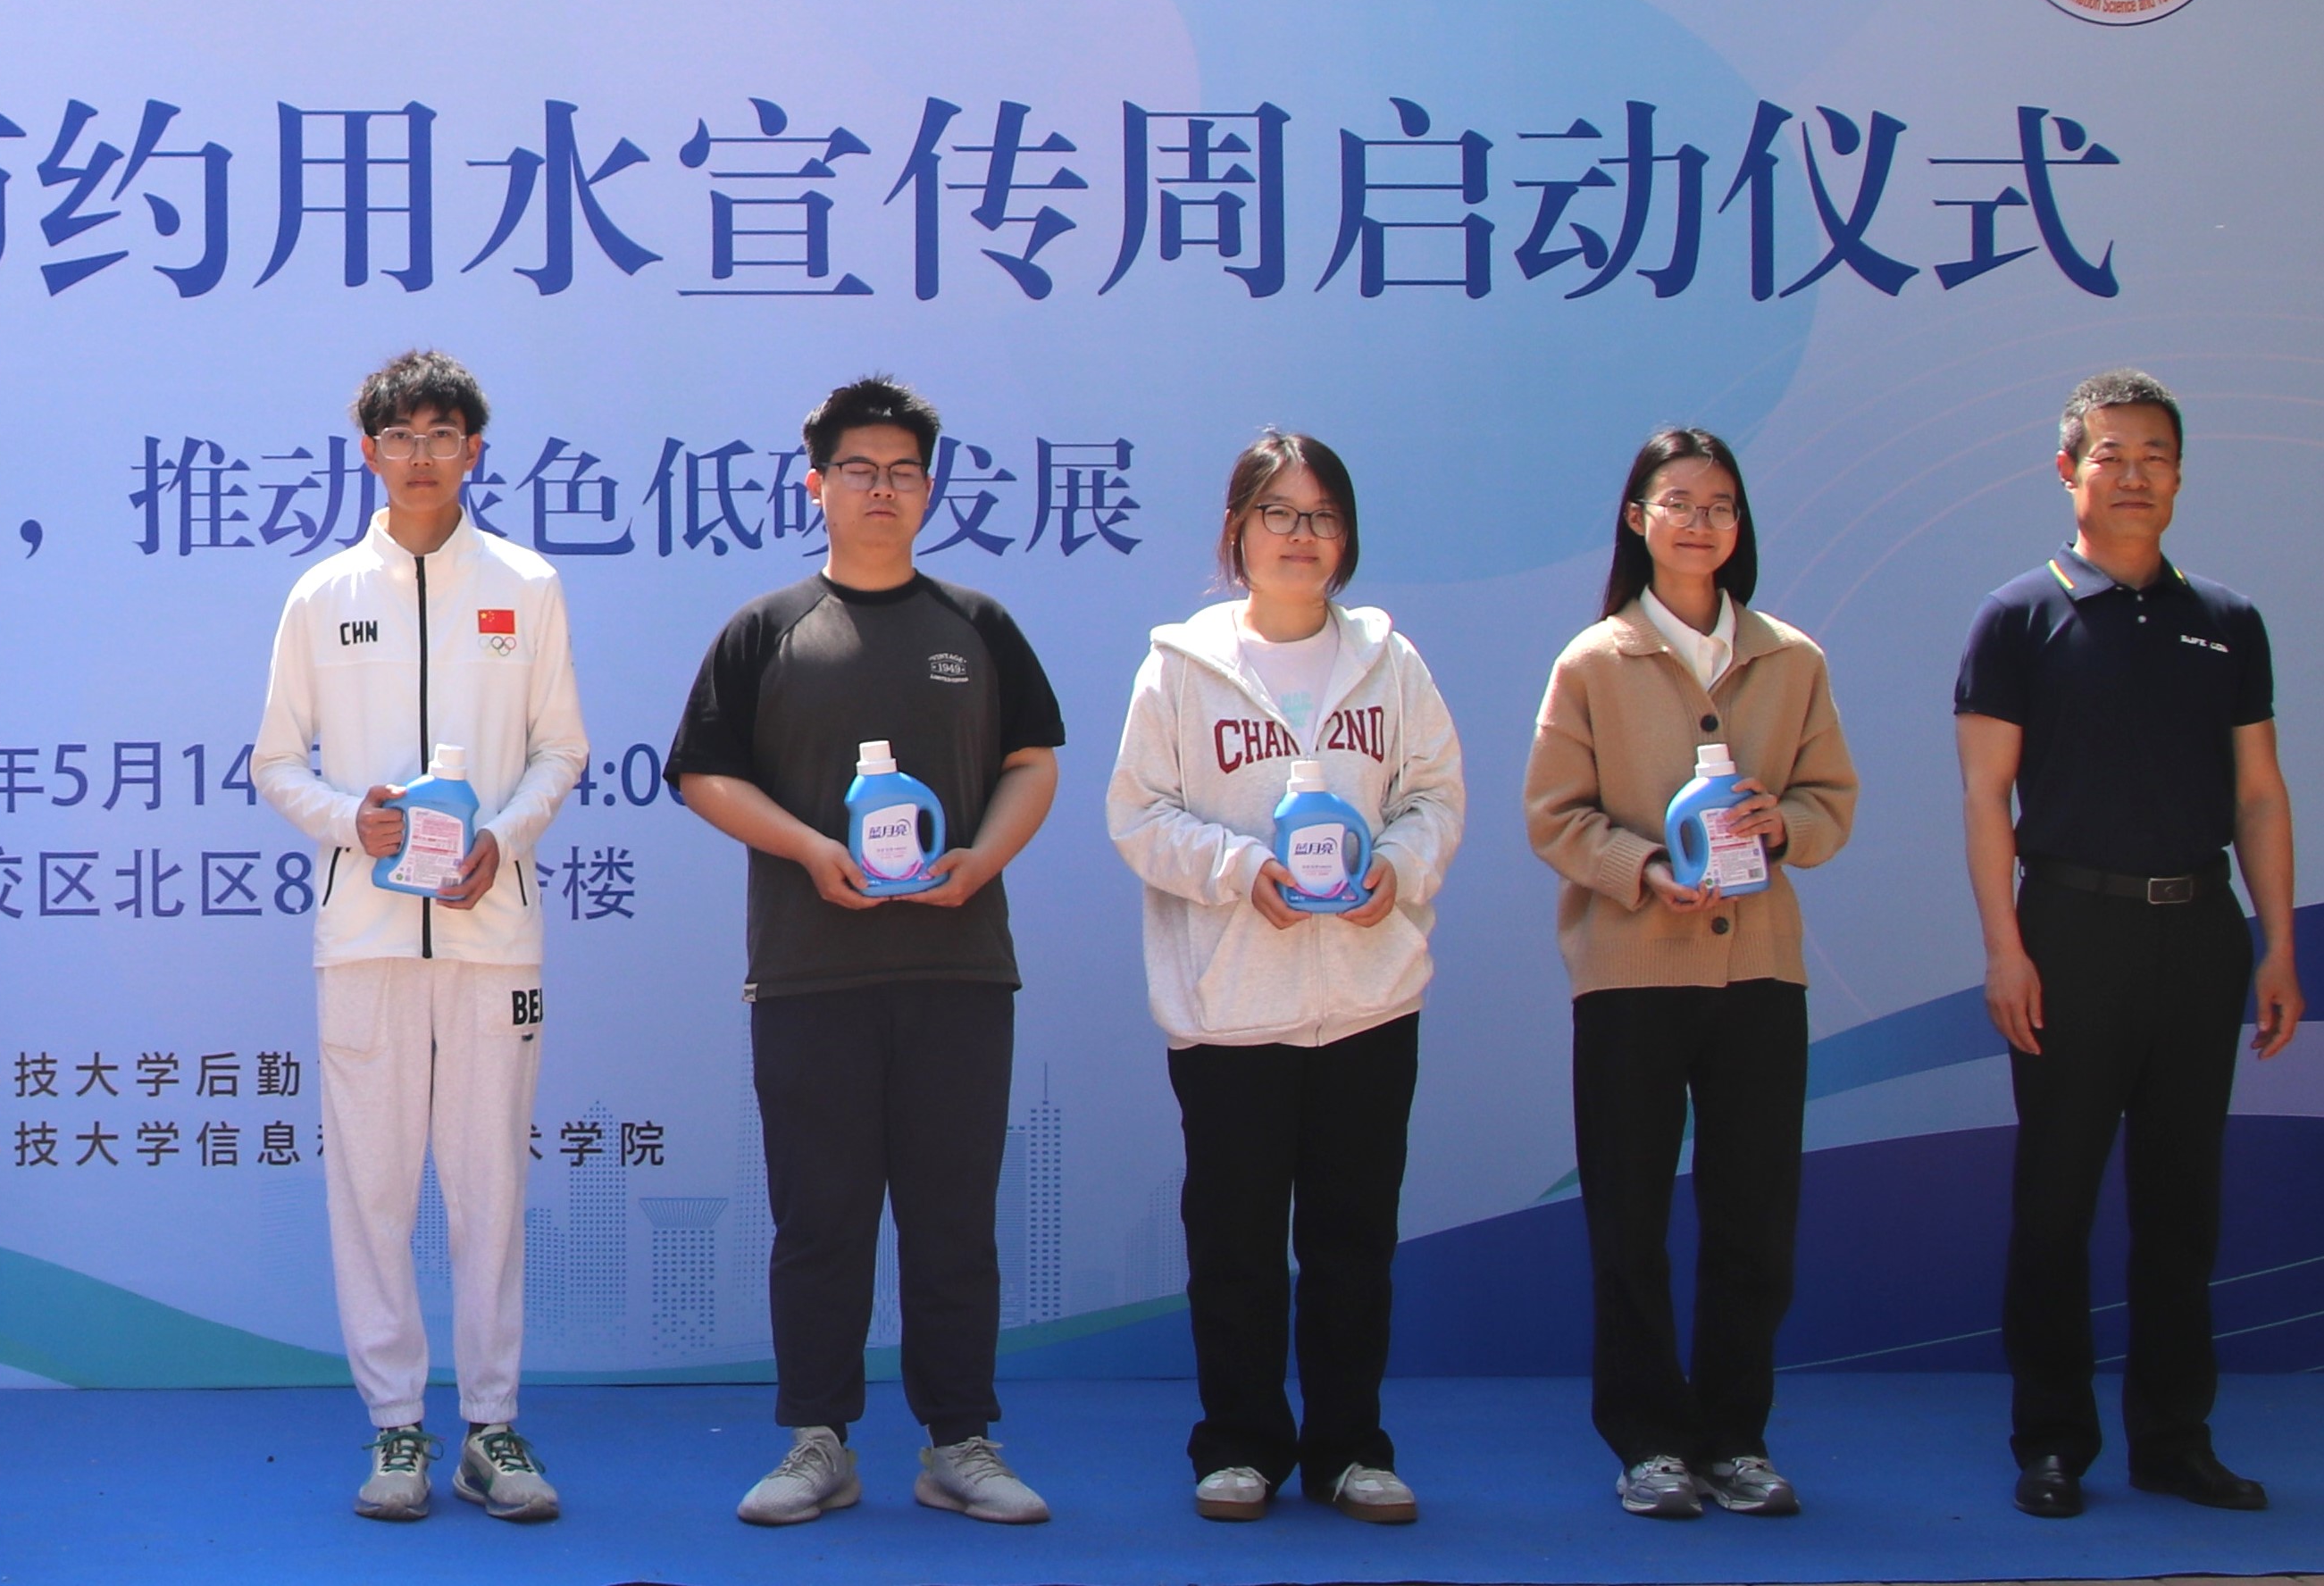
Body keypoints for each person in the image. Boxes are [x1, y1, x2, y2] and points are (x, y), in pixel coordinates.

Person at [681, 376, 1064, 1530]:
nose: (880, 488)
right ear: (817, 484)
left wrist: (981, 858)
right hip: (810, 970)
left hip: (958, 965)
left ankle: (959, 1441)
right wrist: (809, 848)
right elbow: (704, 773)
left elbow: (1033, 762)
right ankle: (817, 1438)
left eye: (902, 471)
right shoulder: (767, 629)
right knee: (820, 1218)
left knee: (954, 1218)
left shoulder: (977, 625)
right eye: (858, 469)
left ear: (928, 489)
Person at [250, 350, 589, 1523]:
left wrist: (503, 834)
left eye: (443, 434)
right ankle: (396, 1421)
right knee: (374, 1187)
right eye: (400, 436)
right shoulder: (322, 593)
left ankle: (491, 1425)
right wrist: (355, 821)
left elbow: (561, 747)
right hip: (365, 936)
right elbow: (275, 761)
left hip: (493, 933)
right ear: (369, 453)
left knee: (490, 1184)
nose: (421, 456)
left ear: (474, 451)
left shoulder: (527, 585)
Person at [1102, 431, 1459, 1527]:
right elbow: (1138, 815)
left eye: (1321, 516)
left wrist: (1395, 869)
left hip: (1366, 999)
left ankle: (1349, 1449)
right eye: (1278, 514)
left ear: (1344, 537)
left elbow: (1434, 796)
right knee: (1236, 1242)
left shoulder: (1390, 664)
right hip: (1231, 1007)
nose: (1300, 536)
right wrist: (1239, 869)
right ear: (1237, 531)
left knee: (1353, 1239)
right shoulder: (1181, 667)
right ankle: (1239, 1443)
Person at [1960, 369, 2296, 1518]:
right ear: (2068, 471)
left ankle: (2173, 1438)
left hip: (2197, 931)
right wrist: (2004, 948)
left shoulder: (2227, 621)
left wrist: (2275, 944)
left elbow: (2259, 793)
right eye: (2111, 454)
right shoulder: (2020, 616)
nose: (2135, 474)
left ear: (2179, 475)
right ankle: (2052, 1440)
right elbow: (1983, 797)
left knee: (2180, 1205)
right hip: (2068, 931)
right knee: (2054, 1203)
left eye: (2155, 455)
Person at [1523, 427, 1857, 1518]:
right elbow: (1553, 816)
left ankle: (1734, 1437)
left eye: (1719, 504)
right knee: (1628, 1218)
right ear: (1638, 520)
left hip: (1759, 973)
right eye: (1677, 502)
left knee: (1753, 1216)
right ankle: (1647, 1441)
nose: (1699, 522)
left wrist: (1784, 822)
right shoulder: (1593, 660)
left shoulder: (1790, 658)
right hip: (1630, 970)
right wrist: (1641, 868)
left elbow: (1832, 800)